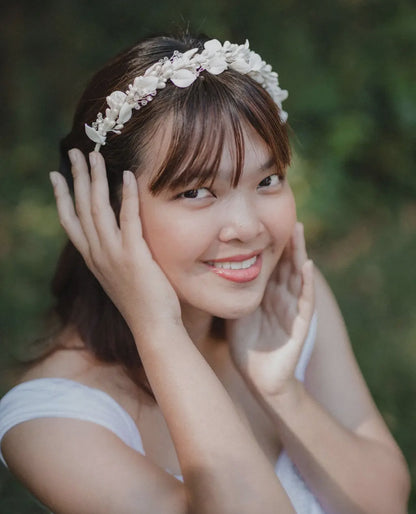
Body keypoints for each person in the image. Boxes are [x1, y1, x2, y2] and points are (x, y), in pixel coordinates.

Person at [0, 33, 410, 514]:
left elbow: (387, 501)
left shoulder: (291, 297)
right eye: (195, 191)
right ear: (108, 211)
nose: (248, 228)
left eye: (268, 180)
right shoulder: (53, 419)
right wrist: (159, 328)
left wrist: (281, 391)